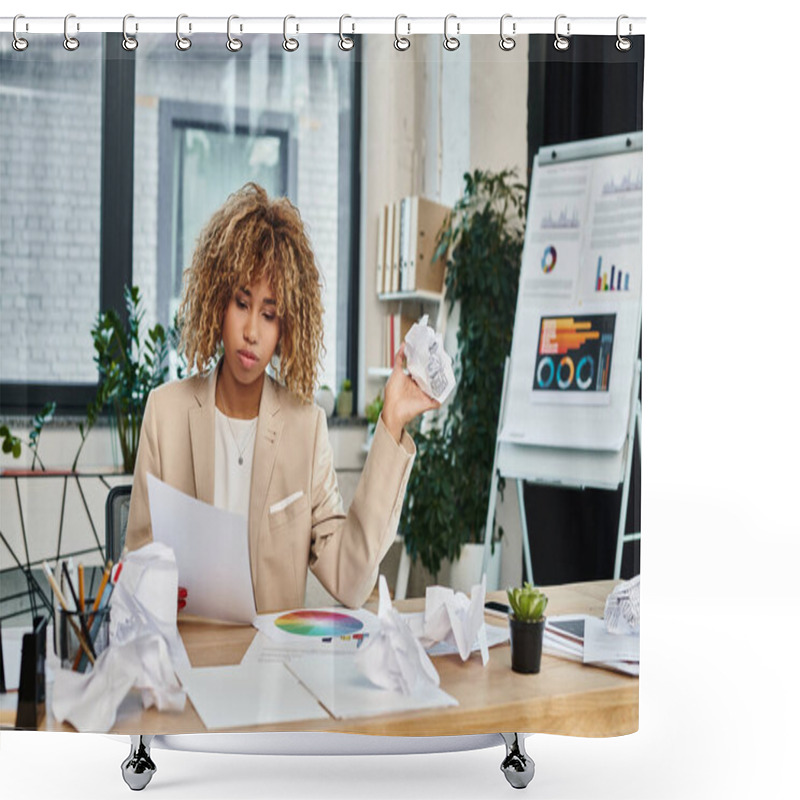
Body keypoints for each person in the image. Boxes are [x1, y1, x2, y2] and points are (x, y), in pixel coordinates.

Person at [125, 183, 439, 612]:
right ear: (217, 301)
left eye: (269, 315)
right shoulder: (165, 414)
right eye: (241, 303)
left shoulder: (305, 429)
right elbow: (138, 569)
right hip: (188, 663)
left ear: (286, 326)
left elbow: (349, 582)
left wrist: (392, 420)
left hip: (272, 671)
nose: (252, 331)